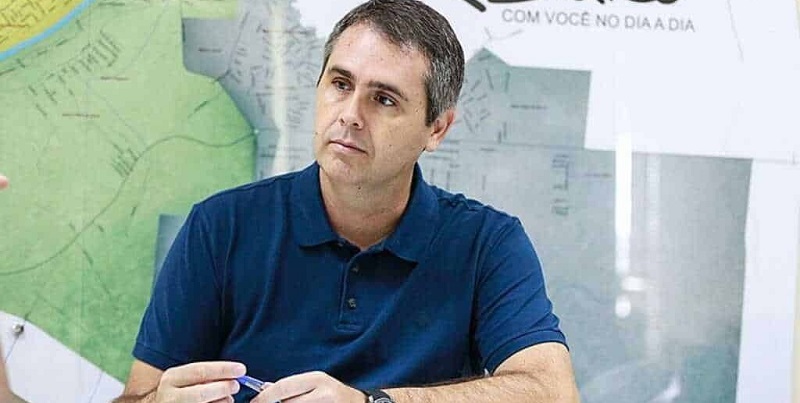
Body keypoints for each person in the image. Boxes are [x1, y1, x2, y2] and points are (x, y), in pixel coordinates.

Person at [116, 0, 579, 402]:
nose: (351, 115)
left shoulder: (487, 243)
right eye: (340, 84)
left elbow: (553, 393)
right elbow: (137, 395)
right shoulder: (221, 226)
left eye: (384, 99)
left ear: (437, 128)